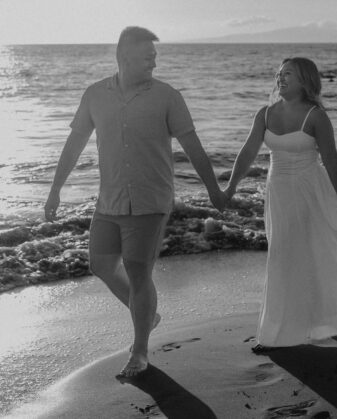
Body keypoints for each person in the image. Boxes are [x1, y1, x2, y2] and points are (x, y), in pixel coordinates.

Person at [44, 27, 226, 377]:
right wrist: (55, 190)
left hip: (150, 199)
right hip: (109, 200)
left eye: (155, 57)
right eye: (147, 57)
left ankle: (140, 351)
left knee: (139, 271)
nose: (154, 63)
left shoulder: (167, 97)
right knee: (100, 265)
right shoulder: (95, 95)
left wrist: (214, 190)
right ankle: (147, 315)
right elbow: (74, 145)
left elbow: (193, 147)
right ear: (123, 56)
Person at [224, 57, 337, 349]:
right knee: (283, 254)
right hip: (278, 192)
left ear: (305, 81)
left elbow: (333, 162)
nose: (280, 78)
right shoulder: (265, 114)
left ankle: (279, 333)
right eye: (279, 73)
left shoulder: (316, 116)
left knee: (300, 254)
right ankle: (296, 325)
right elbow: (247, 153)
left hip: (310, 191)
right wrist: (230, 188)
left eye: (288, 74)